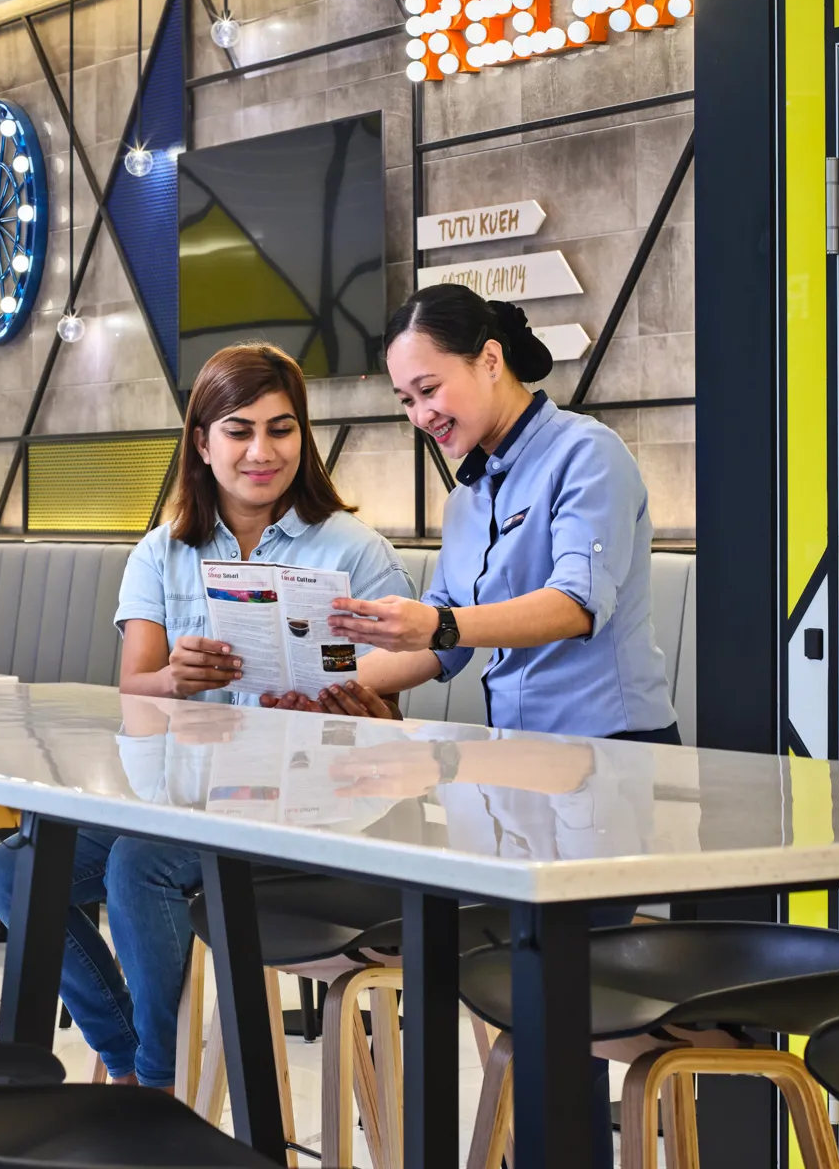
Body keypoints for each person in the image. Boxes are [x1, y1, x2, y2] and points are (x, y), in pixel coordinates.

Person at [269, 283, 677, 1167]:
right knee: (518, 1001)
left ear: (490, 360)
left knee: (556, 1009)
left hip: (609, 765)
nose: (420, 414)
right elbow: (437, 648)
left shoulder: (587, 455)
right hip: (514, 775)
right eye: (405, 400)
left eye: (429, 389)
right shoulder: (468, 497)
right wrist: (318, 687)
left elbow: (577, 606)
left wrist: (442, 624)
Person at [0, 342, 413, 1089]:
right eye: (239, 431)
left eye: (281, 429)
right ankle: (130, 1058)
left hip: (308, 813)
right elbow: (134, 689)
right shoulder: (162, 552)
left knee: (138, 864)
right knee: (15, 868)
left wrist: (360, 708)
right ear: (203, 444)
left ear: (303, 438)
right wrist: (174, 679)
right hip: (182, 799)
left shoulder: (356, 550)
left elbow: (392, 707)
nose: (262, 451)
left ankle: (159, 1089)